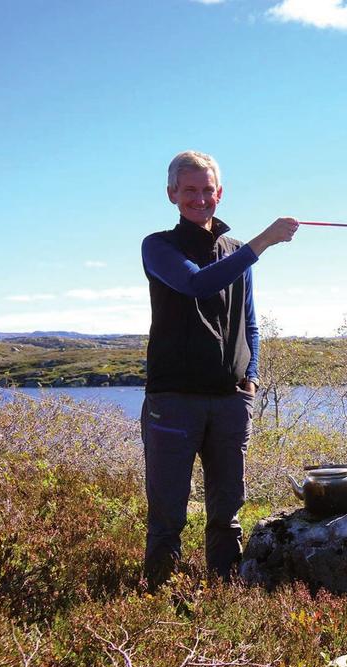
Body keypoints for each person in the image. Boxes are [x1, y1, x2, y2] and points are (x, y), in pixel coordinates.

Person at [140, 150, 298, 590]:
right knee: (168, 515)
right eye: (189, 190)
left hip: (230, 401)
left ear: (220, 193)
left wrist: (253, 378)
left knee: (227, 515)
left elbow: (249, 321)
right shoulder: (159, 246)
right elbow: (195, 283)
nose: (199, 198)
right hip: (173, 402)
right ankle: (155, 606)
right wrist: (262, 242)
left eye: (207, 190)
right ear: (172, 193)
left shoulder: (234, 250)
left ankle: (224, 599)